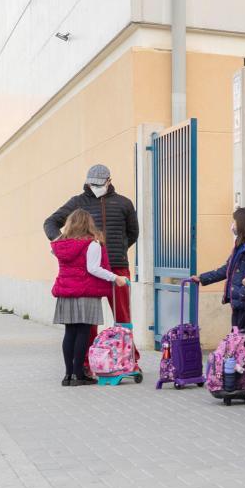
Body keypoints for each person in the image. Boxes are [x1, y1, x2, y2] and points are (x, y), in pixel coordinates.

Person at [44, 164, 139, 327]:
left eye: (99, 184)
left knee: (123, 317)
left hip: (117, 266)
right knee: (88, 321)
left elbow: (133, 233)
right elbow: (50, 222)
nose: (95, 187)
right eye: (92, 184)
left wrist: (119, 250)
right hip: (88, 269)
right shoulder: (77, 202)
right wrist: (63, 243)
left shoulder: (124, 203)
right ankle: (87, 353)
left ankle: (126, 351)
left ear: (109, 181)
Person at [190, 207, 245, 390]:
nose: (232, 225)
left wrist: (243, 295)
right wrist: (203, 278)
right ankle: (234, 380)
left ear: (242, 223)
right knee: (236, 342)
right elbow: (225, 270)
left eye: (234, 221)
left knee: (243, 343)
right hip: (238, 302)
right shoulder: (241, 246)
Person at [49, 209, 129, 386]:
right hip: (86, 292)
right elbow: (93, 268)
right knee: (83, 333)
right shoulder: (91, 244)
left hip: (66, 292)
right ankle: (79, 374)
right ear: (89, 224)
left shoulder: (60, 245)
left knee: (70, 332)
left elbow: (59, 257)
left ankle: (68, 376)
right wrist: (116, 277)